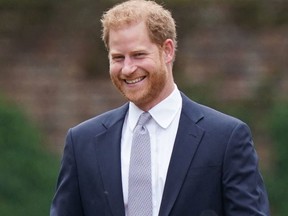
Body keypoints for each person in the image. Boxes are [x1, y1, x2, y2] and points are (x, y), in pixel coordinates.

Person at [50, 0, 270, 215]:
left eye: (138, 55)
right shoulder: (81, 142)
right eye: (118, 58)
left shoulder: (226, 138)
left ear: (167, 51)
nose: (127, 69)